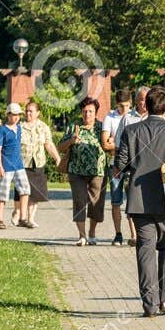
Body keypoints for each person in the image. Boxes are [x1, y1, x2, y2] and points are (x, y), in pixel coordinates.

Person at [113, 86, 165, 317]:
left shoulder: (131, 131)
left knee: (145, 250)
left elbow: (119, 168)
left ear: (145, 106)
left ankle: (149, 304)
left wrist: (130, 166)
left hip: (139, 200)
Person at [61, 96, 108, 245]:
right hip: (76, 171)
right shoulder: (73, 127)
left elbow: (109, 144)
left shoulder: (101, 128)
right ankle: (82, 236)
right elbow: (60, 147)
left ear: (96, 113)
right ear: (81, 112)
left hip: (98, 171)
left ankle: (92, 233)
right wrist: (71, 141)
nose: (87, 114)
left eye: (90, 111)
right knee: (79, 201)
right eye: (85, 111)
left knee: (96, 204)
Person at [103, 89, 144, 246]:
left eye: (127, 106)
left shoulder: (143, 118)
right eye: (121, 106)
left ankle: (134, 234)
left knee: (132, 201)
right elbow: (109, 143)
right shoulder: (115, 118)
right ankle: (118, 234)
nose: (124, 109)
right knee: (116, 201)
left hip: (135, 167)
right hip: (117, 164)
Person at [18, 99, 59, 229]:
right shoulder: (20, 126)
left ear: (37, 113)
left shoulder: (43, 127)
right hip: (23, 164)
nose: (28, 113)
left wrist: (57, 158)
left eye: (31, 111)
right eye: (27, 110)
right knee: (23, 192)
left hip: (38, 163)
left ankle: (30, 218)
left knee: (35, 194)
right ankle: (21, 216)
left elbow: (48, 143)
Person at [0, 103, 32, 230]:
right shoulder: (2, 129)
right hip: (6, 166)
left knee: (25, 190)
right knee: (3, 193)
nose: (15, 117)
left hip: (19, 165)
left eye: (17, 115)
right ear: (8, 115)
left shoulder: (19, 128)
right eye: (13, 114)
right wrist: (0, 167)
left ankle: (23, 218)